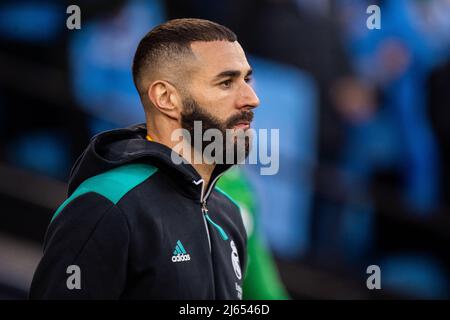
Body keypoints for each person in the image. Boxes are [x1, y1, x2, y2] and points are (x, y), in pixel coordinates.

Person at [29, 18, 260, 299]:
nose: (251, 98)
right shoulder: (107, 205)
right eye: (226, 82)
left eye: (246, 79)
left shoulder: (229, 214)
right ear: (166, 97)